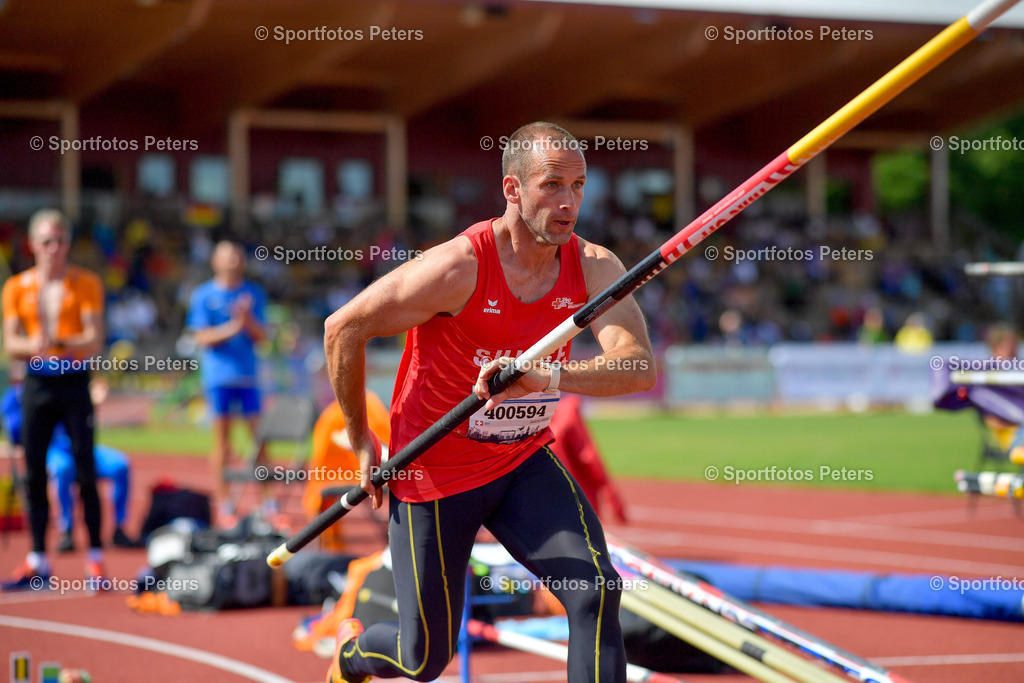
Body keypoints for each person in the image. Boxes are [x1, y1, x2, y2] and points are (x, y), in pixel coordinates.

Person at [323, 122, 656, 683]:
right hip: (433, 472)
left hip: (519, 461)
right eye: (552, 185)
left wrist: (549, 375)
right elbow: (343, 328)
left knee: (595, 592)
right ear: (512, 190)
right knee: (424, 658)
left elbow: (639, 365)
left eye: (578, 185)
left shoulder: (593, 266)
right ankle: (352, 656)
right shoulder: (459, 267)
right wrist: (362, 440)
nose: (569, 202)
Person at [1, 209, 106, 590]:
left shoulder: (86, 283)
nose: (54, 248)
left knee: (85, 471)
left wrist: (58, 343)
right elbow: (11, 343)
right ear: (32, 245)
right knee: (33, 473)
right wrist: (33, 345)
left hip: (74, 382)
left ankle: (95, 556)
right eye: (47, 241)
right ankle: (37, 558)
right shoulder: (16, 287)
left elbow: (94, 339)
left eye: (61, 240)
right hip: (37, 384)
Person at [1, 369, 135, 553]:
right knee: (63, 469)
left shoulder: (73, 385)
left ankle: (119, 528)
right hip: (57, 449)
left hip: (82, 448)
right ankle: (67, 531)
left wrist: (92, 400)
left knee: (120, 465)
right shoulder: (17, 396)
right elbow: (17, 433)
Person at [186, 239, 269, 524]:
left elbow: (262, 337)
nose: (234, 261)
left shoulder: (253, 293)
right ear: (215, 262)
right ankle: (225, 503)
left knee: (260, 442)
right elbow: (200, 337)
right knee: (221, 443)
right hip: (219, 378)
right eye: (228, 256)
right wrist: (233, 326)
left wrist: (247, 321)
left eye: (237, 256)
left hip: (248, 377)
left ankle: (267, 503)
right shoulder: (203, 295)